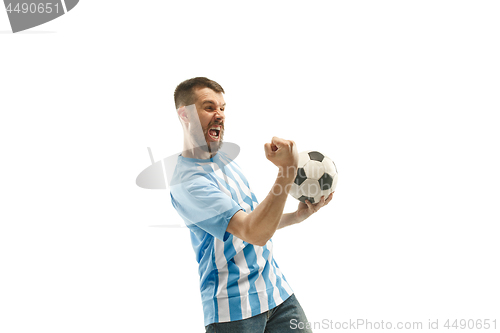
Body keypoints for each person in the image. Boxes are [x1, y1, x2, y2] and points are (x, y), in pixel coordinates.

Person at [169, 77, 333, 332]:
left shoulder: (225, 160)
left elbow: (255, 221)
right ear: (185, 115)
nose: (220, 115)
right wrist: (286, 172)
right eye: (209, 107)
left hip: (277, 293)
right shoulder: (188, 183)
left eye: (223, 108)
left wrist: (296, 216)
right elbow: (253, 232)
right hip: (234, 311)